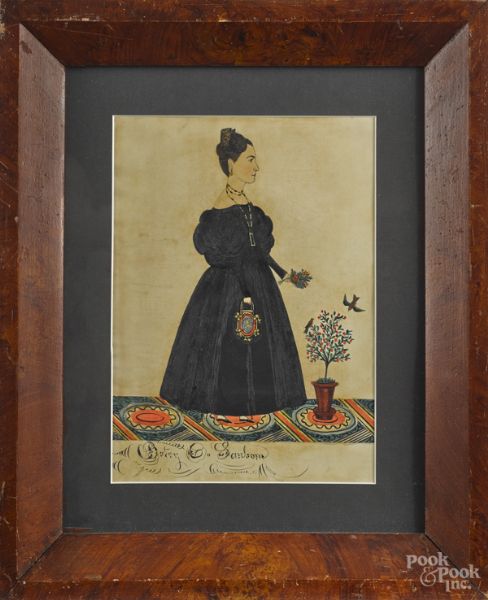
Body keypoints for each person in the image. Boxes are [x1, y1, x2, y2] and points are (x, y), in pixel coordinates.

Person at [160, 128, 307, 419]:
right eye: (250, 159)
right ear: (231, 164)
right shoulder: (219, 211)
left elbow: (257, 251)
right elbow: (225, 256)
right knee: (223, 345)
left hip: (260, 283)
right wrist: (245, 289)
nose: (256, 166)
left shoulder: (250, 207)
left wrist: (284, 273)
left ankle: (260, 404)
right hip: (226, 287)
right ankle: (225, 405)